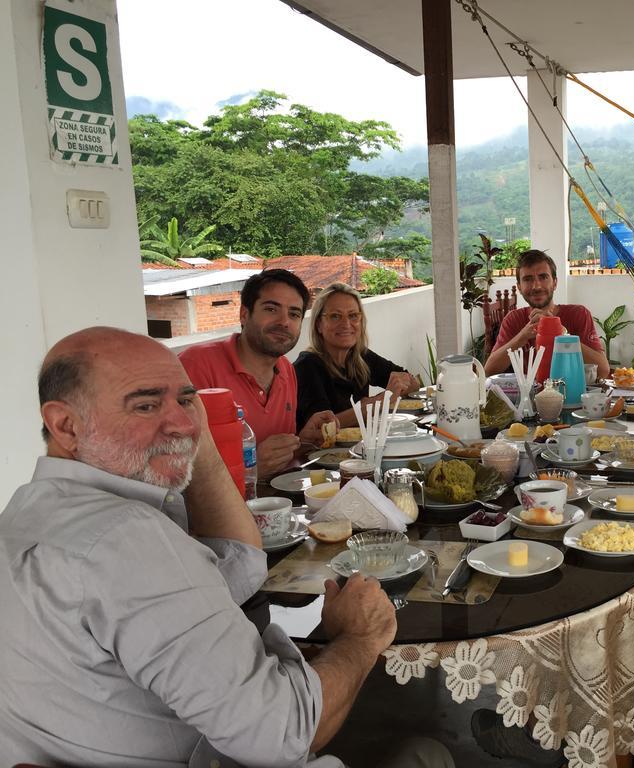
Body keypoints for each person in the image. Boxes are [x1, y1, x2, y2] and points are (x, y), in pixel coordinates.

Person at [0, 327, 452, 768]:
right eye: (145, 405)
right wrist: (361, 637)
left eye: (184, 399)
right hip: (235, 746)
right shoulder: (122, 537)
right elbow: (285, 732)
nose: (180, 421)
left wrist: (200, 442)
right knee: (427, 752)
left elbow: (238, 572)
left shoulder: (26, 514)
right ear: (65, 424)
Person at [179, 269, 337, 477]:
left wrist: (303, 441)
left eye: (294, 314)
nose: (284, 322)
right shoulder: (196, 366)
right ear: (244, 314)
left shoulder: (286, 370)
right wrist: (250, 466)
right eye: (271, 309)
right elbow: (176, 466)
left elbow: (277, 464)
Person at [295, 283, 419, 428]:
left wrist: (400, 385)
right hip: (324, 451)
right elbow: (322, 426)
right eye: (335, 316)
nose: (346, 324)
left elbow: (412, 382)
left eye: (353, 316)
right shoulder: (307, 366)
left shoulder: (359, 355)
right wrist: (381, 400)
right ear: (319, 325)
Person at [483, 249, 611, 378]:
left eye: (543, 277)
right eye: (528, 279)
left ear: (555, 283)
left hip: (571, 395)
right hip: (530, 395)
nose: (536, 286)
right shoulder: (514, 319)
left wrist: (561, 333)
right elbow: (489, 371)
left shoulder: (578, 314)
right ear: (519, 287)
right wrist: (522, 336)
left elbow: (603, 371)